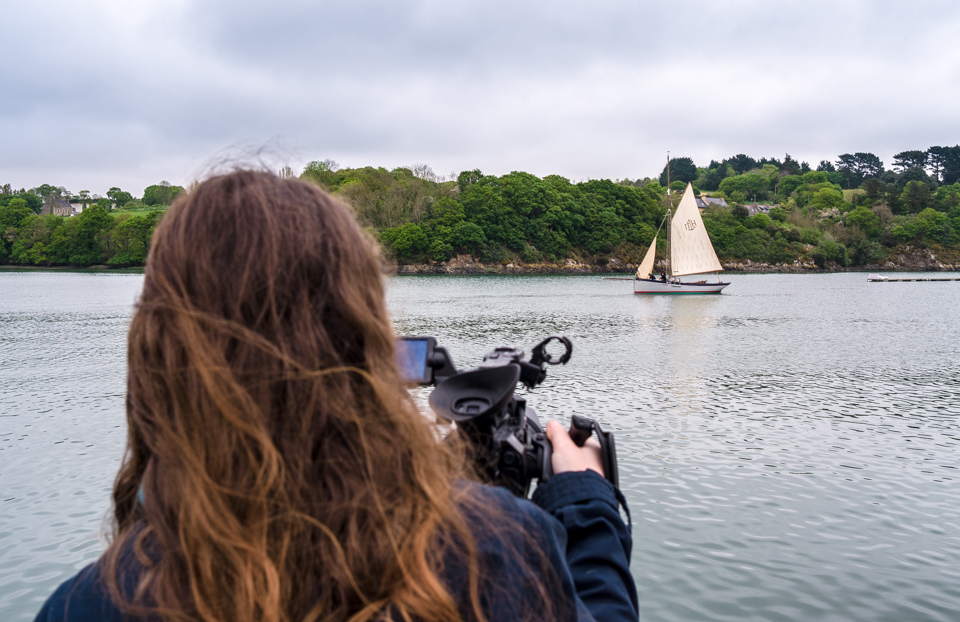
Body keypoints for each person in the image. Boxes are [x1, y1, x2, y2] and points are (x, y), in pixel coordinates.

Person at [35, 170, 637, 622]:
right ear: (364, 344)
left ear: (158, 357)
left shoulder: (84, 604)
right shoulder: (494, 550)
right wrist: (584, 502)